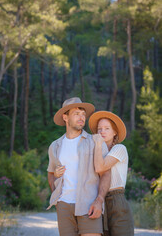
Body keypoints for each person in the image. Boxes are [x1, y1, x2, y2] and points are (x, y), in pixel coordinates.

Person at [47, 97, 111, 236]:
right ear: (65, 117)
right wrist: (57, 196)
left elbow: (105, 173)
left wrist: (99, 200)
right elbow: (51, 173)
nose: (81, 117)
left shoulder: (95, 142)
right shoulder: (55, 146)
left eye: (83, 114)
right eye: (76, 114)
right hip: (64, 205)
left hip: (89, 205)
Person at [88, 111, 134, 236]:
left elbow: (100, 167)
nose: (102, 132)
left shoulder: (120, 149)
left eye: (107, 128)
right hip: (99, 200)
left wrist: (97, 144)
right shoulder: (95, 152)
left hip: (116, 199)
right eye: (99, 129)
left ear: (115, 132)